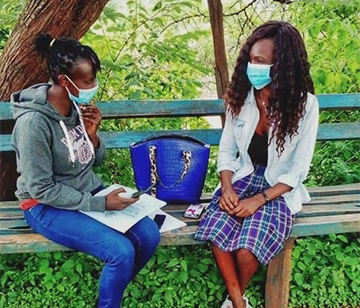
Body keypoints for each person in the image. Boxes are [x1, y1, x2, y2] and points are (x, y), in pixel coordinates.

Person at [11, 33, 161, 308]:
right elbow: (40, 189)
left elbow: (94, 161)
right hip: (44, 206)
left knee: (150, 235)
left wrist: (93, 136)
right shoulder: (34, 123)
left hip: (86, 192)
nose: (94, 86)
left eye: (94, 79)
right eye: (88, 81)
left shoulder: (77, 107)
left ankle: (111, 294)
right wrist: (101, 203)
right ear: (64, 81)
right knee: (120, 252)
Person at [194, 21, 319, 308]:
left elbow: (298, 170)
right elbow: (226, 151)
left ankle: (233, 299)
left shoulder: (305, 106)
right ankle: (238, 303)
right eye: (251, 59)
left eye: (260, 61)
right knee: (217, 229)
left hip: (278, 187)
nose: (253, 67)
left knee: (246, 251)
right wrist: (227, 188)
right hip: (244, 176)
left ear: (282, 66)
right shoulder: (241, 97)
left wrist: (258, 200)